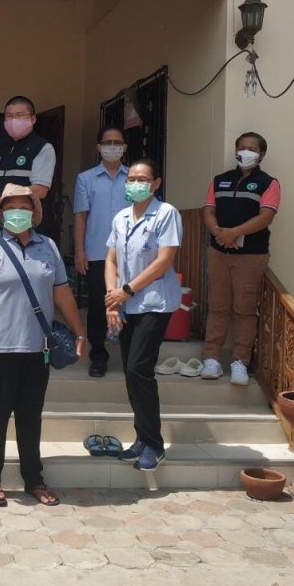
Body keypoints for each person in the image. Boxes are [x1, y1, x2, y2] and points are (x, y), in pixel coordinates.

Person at [0, 184, 87, 508]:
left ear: (34, 212)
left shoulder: (48, 247)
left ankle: (34, 479)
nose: (17, 212)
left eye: (24, 206)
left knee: (31, 417)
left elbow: (62, 293)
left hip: (38, 348)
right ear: (0, 212)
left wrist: (80, 332)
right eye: (11, 206)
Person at [103, 160, 182, 472]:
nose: (135, 183)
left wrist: (126, 290)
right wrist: (113, 299)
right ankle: (141, 438)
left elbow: (164, 261)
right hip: (125, 303)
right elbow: (111, 260)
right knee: (130, 371)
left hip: (153, 303)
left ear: (156, 183)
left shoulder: (166, 213)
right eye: (131, 179)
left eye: (142, 179)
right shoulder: (121, 217)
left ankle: (154, 445)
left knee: (139, 369)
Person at [200, 132, 280, 386]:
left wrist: (234, 233)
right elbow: (209, 211)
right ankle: (211, 359)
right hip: (219, 253)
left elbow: (266, 217)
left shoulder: (268, 183)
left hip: (250, 256)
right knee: (218, 307)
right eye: (242, 147)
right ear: (235, 151)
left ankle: (240, 362)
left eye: (252, 148)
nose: (246, 152)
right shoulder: (219, 180)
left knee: (245, 310)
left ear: (261, 155)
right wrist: (219, 234)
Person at [73, 126, 129, 378]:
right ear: (98, 147)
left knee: (130, 303)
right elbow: (80, 217)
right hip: (97, 252)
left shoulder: (134, 177)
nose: (112, 147)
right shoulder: (86, 179)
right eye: (107, 142)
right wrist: (79, 251)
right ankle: (98, 356)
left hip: (130, 254)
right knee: (98, 305)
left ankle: (130, 356)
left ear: (125, 147)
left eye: (118, 142)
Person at [0, 96, 56, 222]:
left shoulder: (42, 148)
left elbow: (40, 190)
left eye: (19, 115)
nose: (13, 120)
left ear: (33, 119)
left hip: (23, 224)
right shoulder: (0, 149)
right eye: (9, 116)